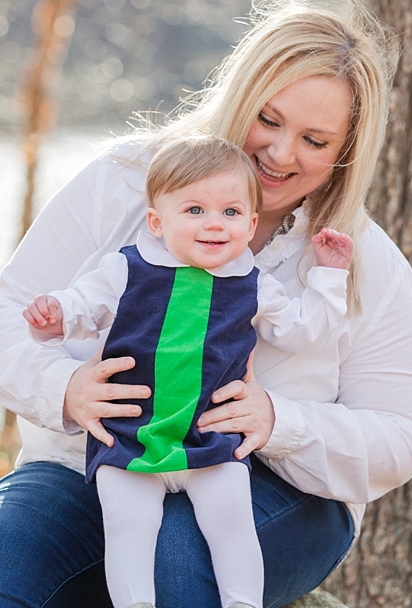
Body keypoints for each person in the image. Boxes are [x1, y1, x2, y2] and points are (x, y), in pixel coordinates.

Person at [0, 0, 412, 608]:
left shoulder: (360, 261)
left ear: (345, 153)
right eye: (269, 118)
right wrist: (63, 387)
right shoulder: (124, 183)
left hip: (274, 486)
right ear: (241, 97)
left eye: (315, 141)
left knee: (181, 557)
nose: (281, 153)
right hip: (97, 463)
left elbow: (401, 437)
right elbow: (7, 318)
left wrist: (279, 422)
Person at [22, 135, 354, 608]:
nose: (214, 224)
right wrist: (53, 317)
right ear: (158, 222)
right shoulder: (127, 269)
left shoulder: (251, 283)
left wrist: (329, 275)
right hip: (130, 435)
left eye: (231, 213)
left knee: (232, 522)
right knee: (129, 529)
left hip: (209, 437)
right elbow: (81, 306)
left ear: (252, 222)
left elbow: (304, 330)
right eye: (194, 210)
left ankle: (243, 603)